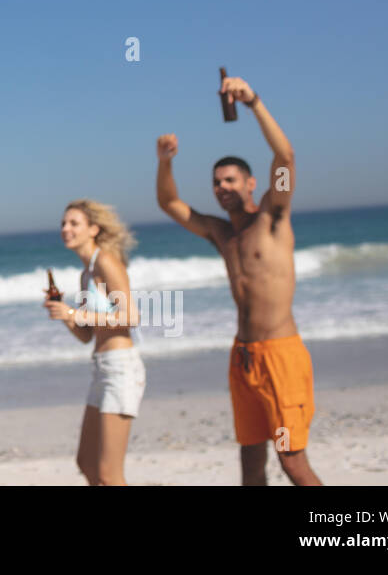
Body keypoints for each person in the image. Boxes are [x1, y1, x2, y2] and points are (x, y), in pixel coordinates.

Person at [155, 74, 322, 486]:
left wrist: (253, 102)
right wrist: (165, 162)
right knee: (250, 462)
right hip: (243, 358)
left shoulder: (272, 217)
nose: (222, 187)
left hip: (281, 355)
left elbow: (285, 155)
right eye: (216, 182)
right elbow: (169, 203)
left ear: (250, 183)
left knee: (292, 460)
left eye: (230, 180)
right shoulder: (220, 232)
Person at [44, 200, 144, 485]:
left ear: (93, 229)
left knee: (110, 475)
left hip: (122, 369)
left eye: (74, 223)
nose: (66, 229)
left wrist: (75, 312)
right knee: (86, 462)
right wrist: (63, 313)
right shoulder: (86, 273)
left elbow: (130, 316)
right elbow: (87, 335)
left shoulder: (106, 262)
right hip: (101, 369)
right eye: (63, 223)